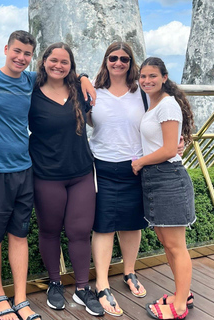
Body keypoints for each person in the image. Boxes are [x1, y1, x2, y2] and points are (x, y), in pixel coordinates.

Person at [0, 31, 96, 320]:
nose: (20, 58)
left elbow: (63, 73)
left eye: (26, 54)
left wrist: (84, 76)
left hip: (25, 168)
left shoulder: (31, 81)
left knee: (19, 234)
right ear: (6, 49)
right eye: (16, 52)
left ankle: (21, 298)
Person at [28, 42, 103, 316]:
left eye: (64, 62)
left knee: (80, 231)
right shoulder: (31, 91)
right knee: (49, 230)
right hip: (47, 174)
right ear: (43, 61)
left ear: (71, 65)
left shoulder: (79, 90)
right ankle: (55, 283)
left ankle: (83, 288)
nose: (58, 65)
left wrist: (82, 76)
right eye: (53, 60)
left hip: (82, 172)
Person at [132, 57, 195, 319]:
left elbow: (170, 149)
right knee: (166, 243)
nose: (147, 81)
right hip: (156, 179)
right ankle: (183, 292)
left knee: (176, 246)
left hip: (168, 178)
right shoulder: (155, 102)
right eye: (143, 76)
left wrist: (140, 162)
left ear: (164, 78)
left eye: (152, 76)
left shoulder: (167, 104)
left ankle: (180, 305)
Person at [88, 41, 148, 317]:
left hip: (135, 165)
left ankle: (129, 272)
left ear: (131, 62)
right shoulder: (94, 92)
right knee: (103, 225)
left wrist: (178, 140)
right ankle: (101, 282)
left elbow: (162, 117)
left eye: (124, 58)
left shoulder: (142, 92)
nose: (119, 63)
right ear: (106, 60)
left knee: (132, 224)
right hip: (101, 165)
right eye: (113, 58)